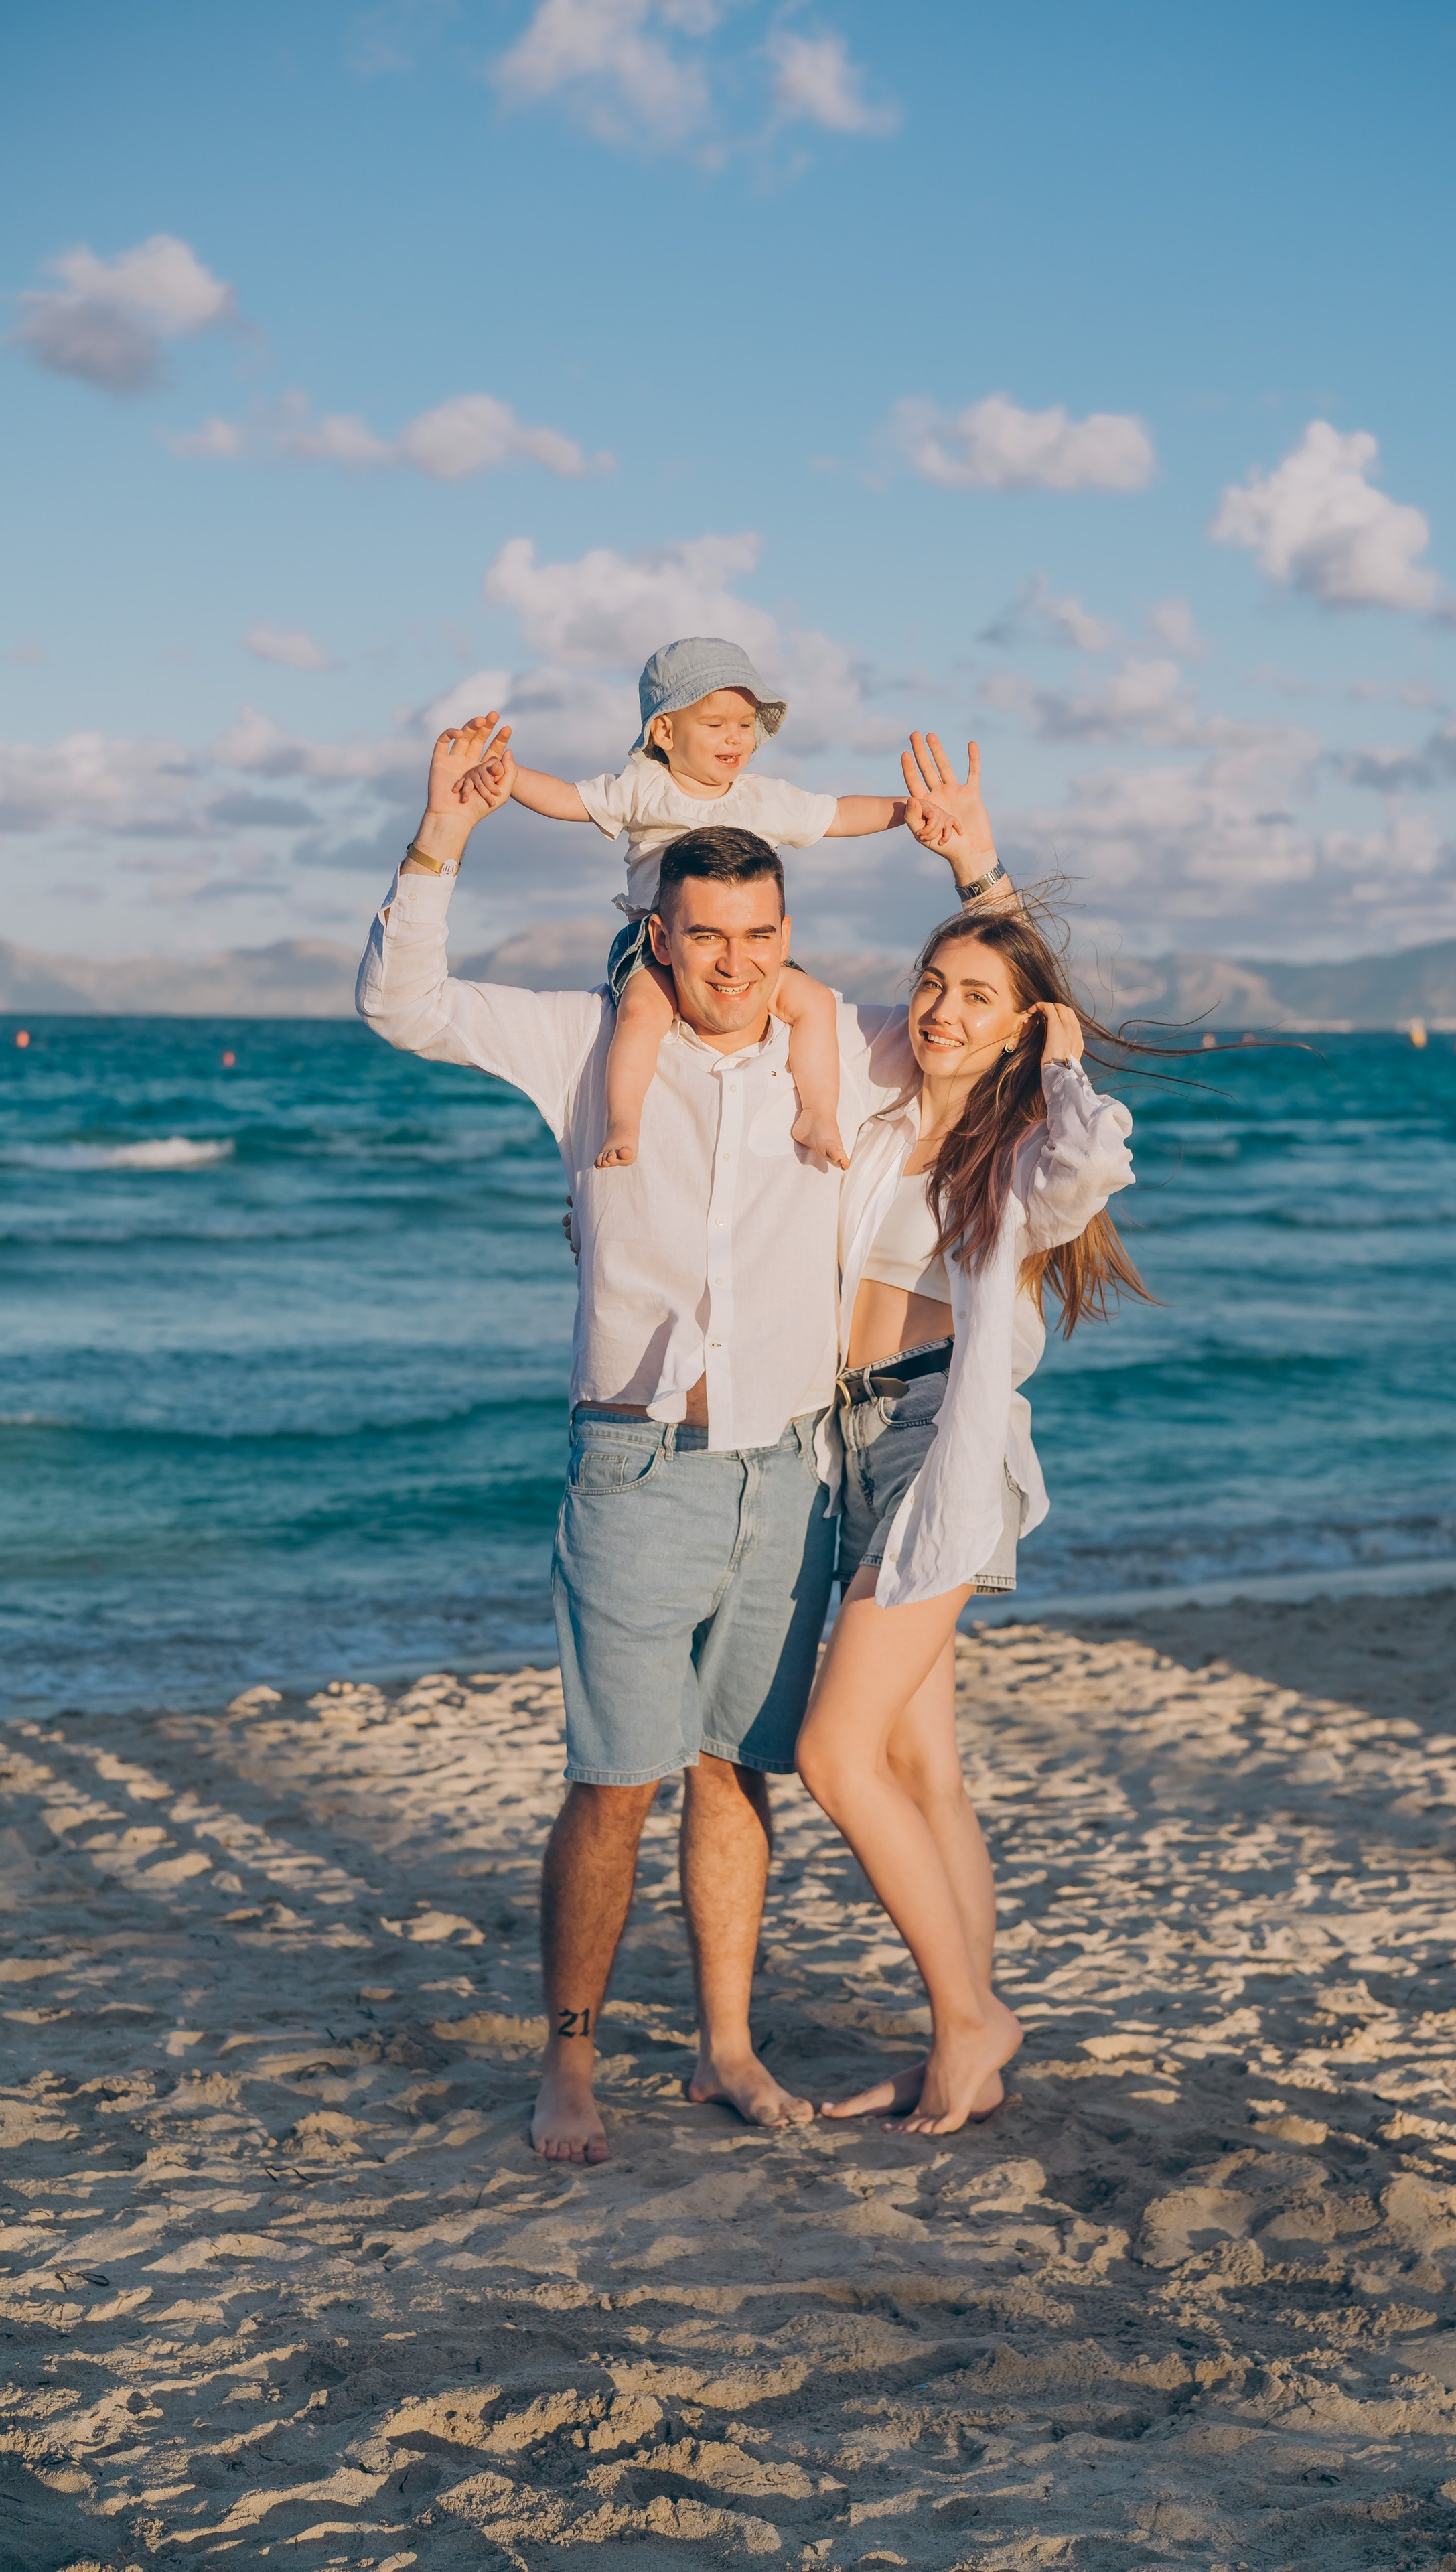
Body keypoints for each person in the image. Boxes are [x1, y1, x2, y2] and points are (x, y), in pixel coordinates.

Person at [354, 711, 988, 2165]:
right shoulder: (584, 1045)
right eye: (705, 937)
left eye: (761, 936)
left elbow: (992, 1016)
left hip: (790, 1473)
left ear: (788, 935)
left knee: (734, 1772)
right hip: (634, 1464)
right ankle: (567, 2067)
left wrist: (975, 869)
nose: (736, 964)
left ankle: (723, 2047)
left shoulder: (839, 1048)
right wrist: (443, 834)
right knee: (611, 1780)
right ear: (655, 932)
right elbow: (402, 1005)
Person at [794, 755, 1145, 2137]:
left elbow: (1091, 1152)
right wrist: (971, 880)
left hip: (946, 1443)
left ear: (1018, 1031)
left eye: (974, 1002)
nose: (941, 1012)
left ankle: (965, 2017)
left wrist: (1056, 1057)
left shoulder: (1021, 1158)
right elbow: (845, 1003)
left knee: (834, 1758)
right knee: (924, 1768)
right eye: (933, 987)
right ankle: (968, 2035)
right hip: (860, 1441)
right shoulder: (888, 1084)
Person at [457, 638, 906, 1171]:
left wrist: (908, 811)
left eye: (745, 725)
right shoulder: (644, 787)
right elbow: (569, 799)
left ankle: (817, 1111)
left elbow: (838, 816)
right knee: (644, 1011)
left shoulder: (765, 797)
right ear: (665, 731)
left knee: (815, 1003)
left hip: (736, 944)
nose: (735, 738)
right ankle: (624, 1119)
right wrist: (511, 779)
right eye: (715, 725)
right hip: (654, 942)